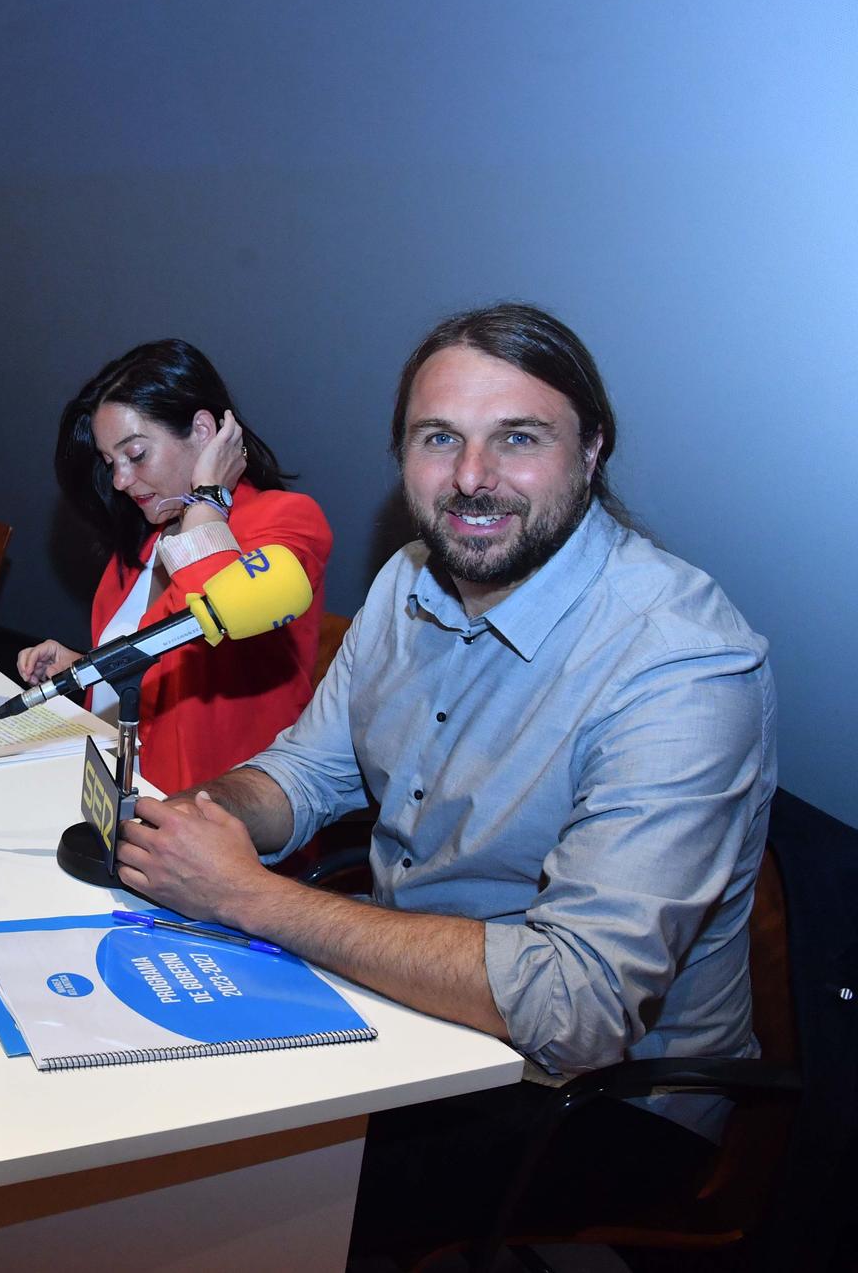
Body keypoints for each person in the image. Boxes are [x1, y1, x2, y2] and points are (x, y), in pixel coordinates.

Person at [114, 303, 775, 1259]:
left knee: (233, 1191)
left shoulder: (682, 662)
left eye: (518, 438)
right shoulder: (408, 580)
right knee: (145, 1098)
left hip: (594, 1100)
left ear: (592, 449)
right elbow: (309, 768)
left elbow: (576, 1008)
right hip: (413, 1017)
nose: (471, 478)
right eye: (439, 439)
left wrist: (249, 897)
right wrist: (195, 820)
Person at [17, 340, 330, 790]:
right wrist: (88, 669)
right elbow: (165, 665)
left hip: (222, 817)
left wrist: (209, 498)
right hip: (125, 792)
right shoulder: (142, 546)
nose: (121, 481)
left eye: (136, 454)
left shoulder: (288, 520)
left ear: (204, 431)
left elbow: (213, 614)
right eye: (111, 464)